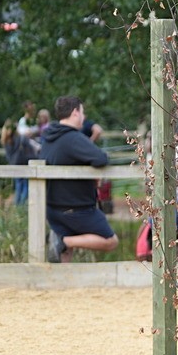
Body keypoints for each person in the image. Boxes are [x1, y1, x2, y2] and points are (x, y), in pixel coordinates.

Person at [39, 95, 119, 262]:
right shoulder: (73, 138)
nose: (84, 116)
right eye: (82, 112)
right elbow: (101, 159)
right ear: (75, 112)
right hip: (77, 208)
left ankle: (62, 247)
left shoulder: (48, 137)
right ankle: (62, 240)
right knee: (110, 241)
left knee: (64, 257)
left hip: (52, 207)